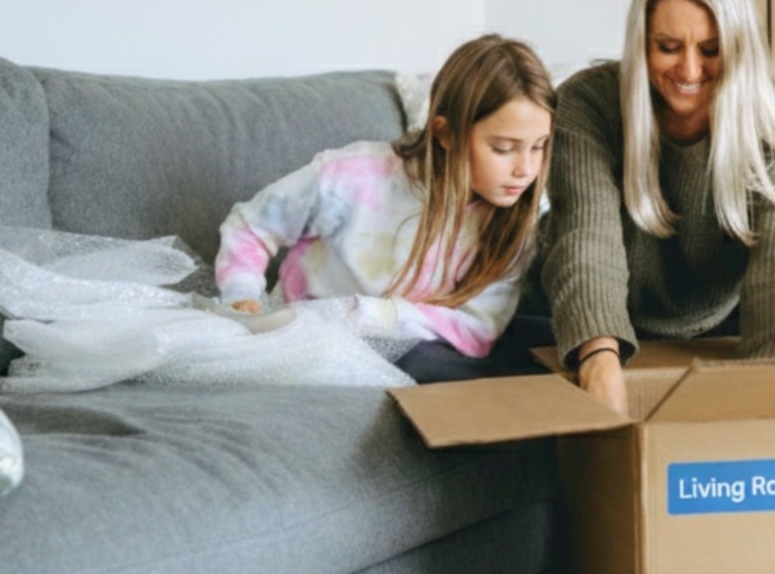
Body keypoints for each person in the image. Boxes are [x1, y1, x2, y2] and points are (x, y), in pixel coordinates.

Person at [538, 0, 775, 414]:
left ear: (741, 47)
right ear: (641, 43)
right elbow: (586, 242)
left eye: (712, 49)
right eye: (669, 47)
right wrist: (598, 363)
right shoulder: (587, 105)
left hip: (718, 321)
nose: (690, 70)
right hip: (587, 321)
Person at [215, 33, 554, 364]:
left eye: (539, 146)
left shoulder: (519, 215)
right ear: (446, 134)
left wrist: (376, 314)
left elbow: (478, 330)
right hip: (306, 342)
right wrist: (241, 294)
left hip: (414, 346)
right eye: (504, 149)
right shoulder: (351, 177)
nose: (526, 169)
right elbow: (252, 225)